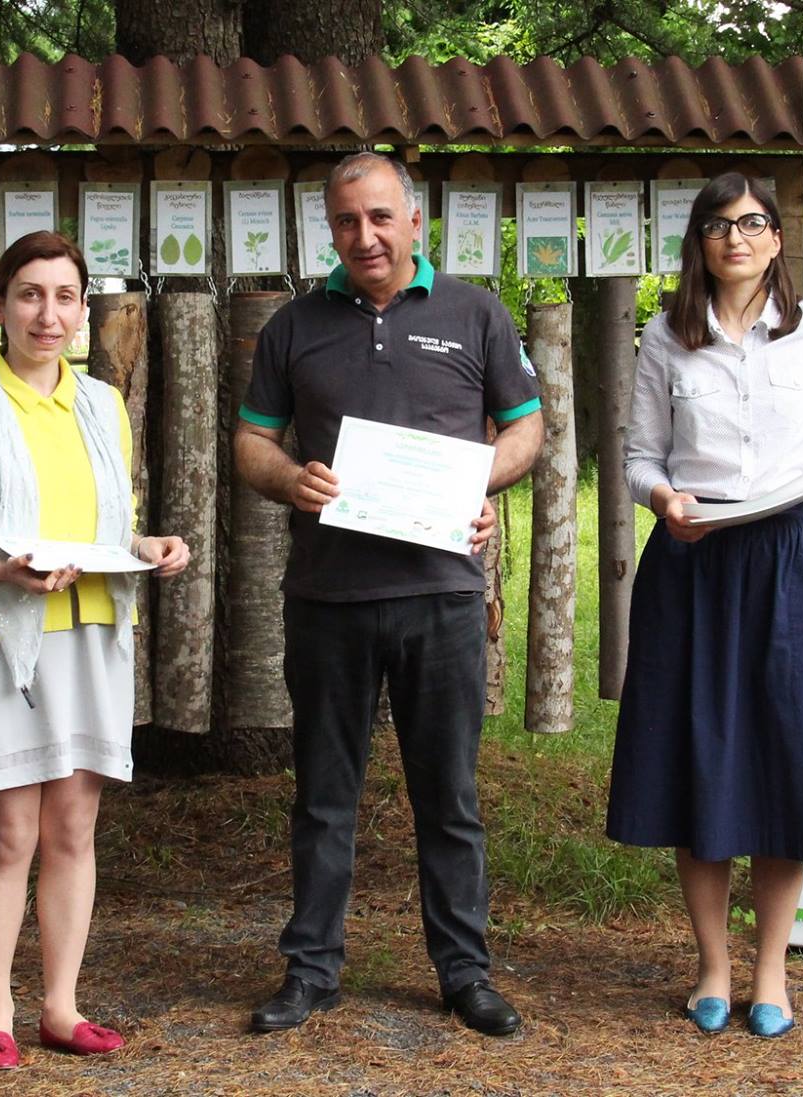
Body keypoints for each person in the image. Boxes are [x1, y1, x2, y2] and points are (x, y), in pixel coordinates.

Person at [234, 152, 545, 1037]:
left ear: (415, 219)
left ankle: (464, 972)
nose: (363, 236)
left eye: (378, 216)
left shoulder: (476, 313)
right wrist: (291, 478)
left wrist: (483, 482)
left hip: (441, 594)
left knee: (448, 797)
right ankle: (311, 970)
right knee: (323, 796)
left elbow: (526, 427)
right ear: (329, 230)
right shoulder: (294, 325)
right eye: (346, 221)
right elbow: (251, 441)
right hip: (328, 596)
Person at [0, 230, 191, 1070]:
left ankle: (61, 1005)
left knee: (73, 828)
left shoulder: (102, 403)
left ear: (83, 309)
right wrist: (1, 571)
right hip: (1, 642)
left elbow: (102, 528)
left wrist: (145, 545)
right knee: (10, 834)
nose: (48, 313)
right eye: (30, 294)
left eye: (66, 296)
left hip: (92, 636)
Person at [606, 172, 803, 1039]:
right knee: (699, 756)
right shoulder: (665, 335)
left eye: (752, 222)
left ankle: (771, 969)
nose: (736, 238)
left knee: (790, 758)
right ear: (700, 243)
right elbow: (640, 458)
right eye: (718, 225)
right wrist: (663, 499)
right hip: (694, 563)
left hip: (788, 561)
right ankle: (713, 964)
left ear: (777, 237)